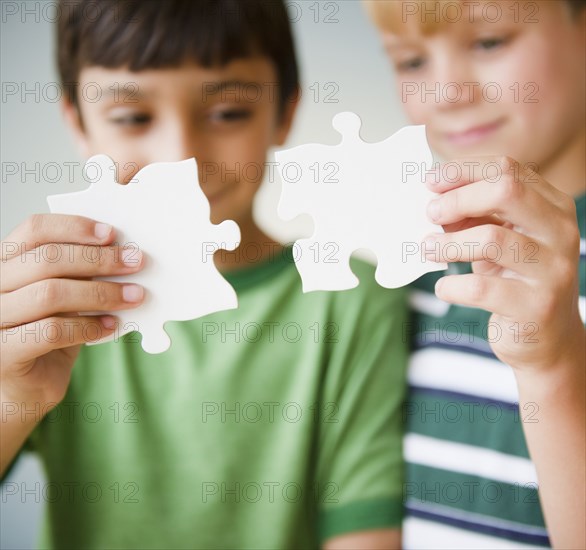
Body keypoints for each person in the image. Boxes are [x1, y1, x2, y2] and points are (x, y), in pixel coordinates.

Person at [0, 1, 408, 548]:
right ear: (78, 122)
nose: (182, 160)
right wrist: (11, 392)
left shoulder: (352, 301)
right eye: (133, 117)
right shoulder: (45, 304)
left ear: (284, 112)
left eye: (228, 113)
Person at [365, 0, 585, 548]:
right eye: (411, 61)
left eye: (489, 43)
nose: (446, 93)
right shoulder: (404, 279)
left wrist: (554, 367)